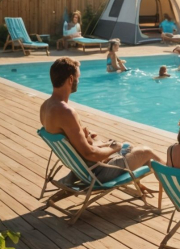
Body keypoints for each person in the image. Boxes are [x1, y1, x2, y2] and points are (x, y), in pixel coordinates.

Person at [40, 58, 161, 187]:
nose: (78, 81)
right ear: (70, 79)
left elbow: (75, 145)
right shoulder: (66, 112)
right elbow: (89, 154)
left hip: (81, 169)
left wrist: (90, 139)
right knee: (146, 152)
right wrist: (114, 147)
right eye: (78, 77)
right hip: (97, 173)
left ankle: (140, 188)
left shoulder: (45, 107)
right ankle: (173, 177)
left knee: (129, 147)